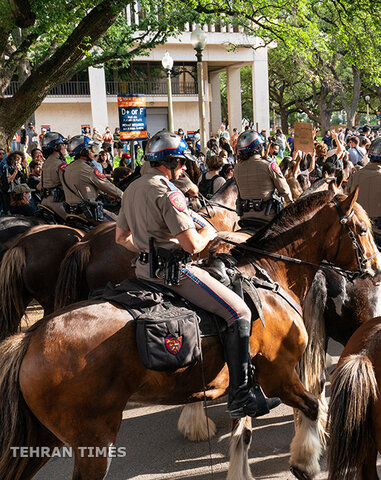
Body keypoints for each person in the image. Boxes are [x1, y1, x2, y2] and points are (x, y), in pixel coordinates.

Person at [115, 130, 280, 419]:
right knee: (239, 312)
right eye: (180, 164)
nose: (183, 170)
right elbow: (192, 245)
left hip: (142, 270)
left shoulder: (132, 188)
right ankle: (241, 395)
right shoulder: (168, 192)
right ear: (171, 161)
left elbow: (120, 238)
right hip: (174, 273)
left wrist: (145, 247)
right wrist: (209, 234)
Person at [233, 130, 292, 226]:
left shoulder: (237, 168)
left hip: (244, 217)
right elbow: (284, 190)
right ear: (258, 147)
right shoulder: (269, 165)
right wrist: (291, 204)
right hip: (269, 217)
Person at [61, 135, 123, 223]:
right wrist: (124, 196)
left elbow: (83, 185)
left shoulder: (67, 168)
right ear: (83, 151)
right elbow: (106, 185)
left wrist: (105, 193)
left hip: (72, 213)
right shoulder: (87, 169)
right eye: (90, 149)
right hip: (89, 213)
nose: (93, 152)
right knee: (122, 224)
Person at [39, 131, 68, 219]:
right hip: (57, 203)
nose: (64, 147)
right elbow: (67, 185)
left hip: (44, 201)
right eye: (63, 145)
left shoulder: (46, 162)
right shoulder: (61, 164)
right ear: (56, 147)